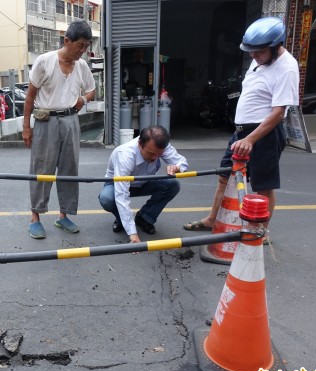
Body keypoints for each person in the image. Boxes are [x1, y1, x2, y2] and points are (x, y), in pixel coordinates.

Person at [183, 17, 299, 244]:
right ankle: (212, 219)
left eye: (260, 52)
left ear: (276, 46)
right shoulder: (260, 61)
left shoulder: (287, 67)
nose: (253, 56)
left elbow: (278, 112)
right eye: (251, 51)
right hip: (241, 132)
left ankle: (260, 232)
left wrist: (252, 139)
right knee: (224, 177)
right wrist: (242, 135)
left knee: (263, 185)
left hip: (262, 134)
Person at [22, 20, 96, 239]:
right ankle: (35, 217)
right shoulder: (44, 62)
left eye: (86, 46)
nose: (83, 51)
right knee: (41, 170)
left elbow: (91, 90)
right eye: (80, 46)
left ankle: (64, 216)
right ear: (67, 41)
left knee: (69, 170)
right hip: (46, 121)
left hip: (71, 121)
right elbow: (30, 96)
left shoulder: (82, 66)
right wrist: (26, 127)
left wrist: (82, 99)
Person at [99, 126, 188, 243]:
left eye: (159, 154)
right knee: (107, 199)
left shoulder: (160, 146)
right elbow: (122, 196)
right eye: (151, 154)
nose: (155, 158)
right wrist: (132, 234)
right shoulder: (125, 155)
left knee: (173, 184)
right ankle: (122, 220)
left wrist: (178, 167)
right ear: (140, 144)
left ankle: (145, 217)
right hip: (117, 185)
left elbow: (182, 162)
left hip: (145, 181)